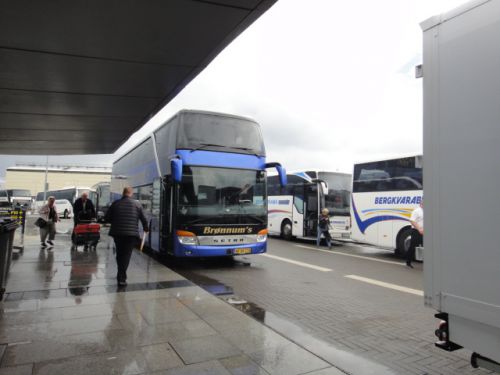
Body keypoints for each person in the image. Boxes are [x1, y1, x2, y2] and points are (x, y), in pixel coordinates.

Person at [105, 187, 149, 287]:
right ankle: (122, 278)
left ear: (123, 193)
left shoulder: (115, 203)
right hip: (131, 235)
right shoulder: (137, 204)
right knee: (126, 255)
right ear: (131, 194)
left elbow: (107, 218)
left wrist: (116, 221)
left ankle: (120, 274)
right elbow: (143, 218)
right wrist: (146, 228)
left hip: (118, 233)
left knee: (120, 254)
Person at [407, 200, 424, 268]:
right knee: (413, 247)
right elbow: (412, 220)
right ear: (421, 203)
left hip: (424, 231)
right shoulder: (417, 211)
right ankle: (408, 262)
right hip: (416, 231)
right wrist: (419, 229)